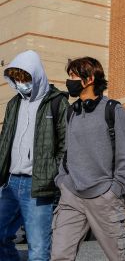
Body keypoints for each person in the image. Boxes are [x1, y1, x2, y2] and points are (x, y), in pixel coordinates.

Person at [51, 57, 125, 261]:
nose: (68, 81)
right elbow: (66, 151)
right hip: (71, 196)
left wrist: (114, 191)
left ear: (89, 79)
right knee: (59, 255)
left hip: (104, 197)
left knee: (119, 258)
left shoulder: (114, 110)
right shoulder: (72, 112)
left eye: (73, 76)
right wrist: (62, 181)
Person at [0, 50, 69, 261]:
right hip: (11, 182)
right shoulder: (13, 104)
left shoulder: (57, 102)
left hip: (38, 185)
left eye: (24, 78)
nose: (20, 83)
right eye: (16, 79)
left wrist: (51, 174)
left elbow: (65, 145)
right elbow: (4, 140)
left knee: (38, 248)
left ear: (36, 75)